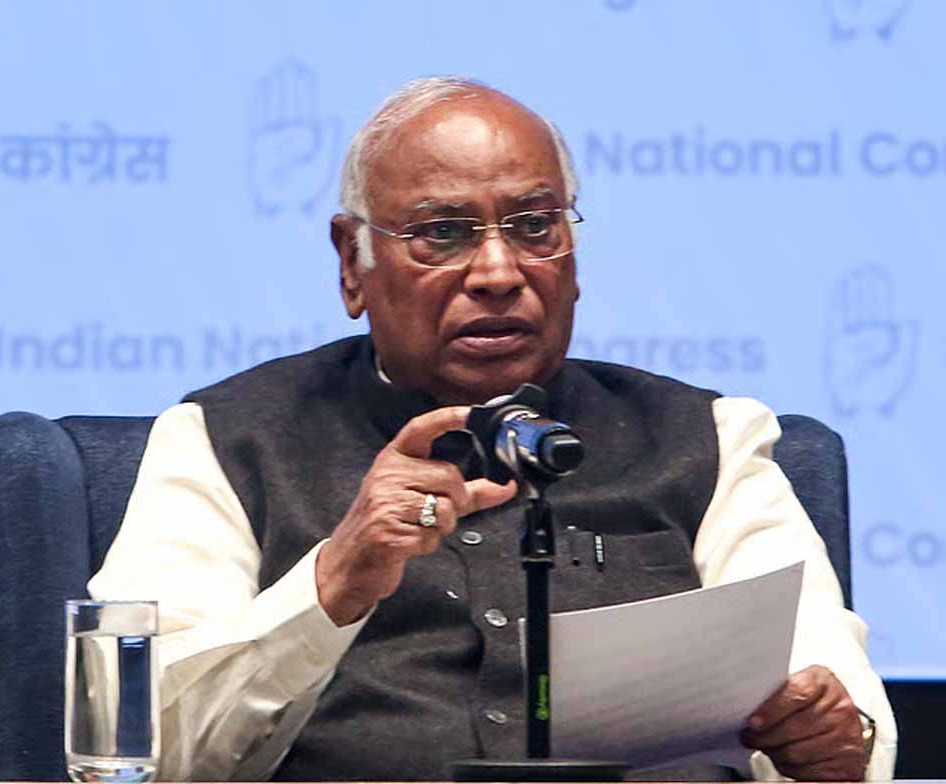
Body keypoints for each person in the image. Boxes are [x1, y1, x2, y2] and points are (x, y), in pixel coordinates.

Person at [89, 77, 896, 782]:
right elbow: (142, 753)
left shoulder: (709, 440)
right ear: (351, 263)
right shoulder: (225, 441)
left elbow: (841, 707)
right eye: (443, 233)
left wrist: (830, 744)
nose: (500, 272)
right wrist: (334, 581)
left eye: (535, 226)